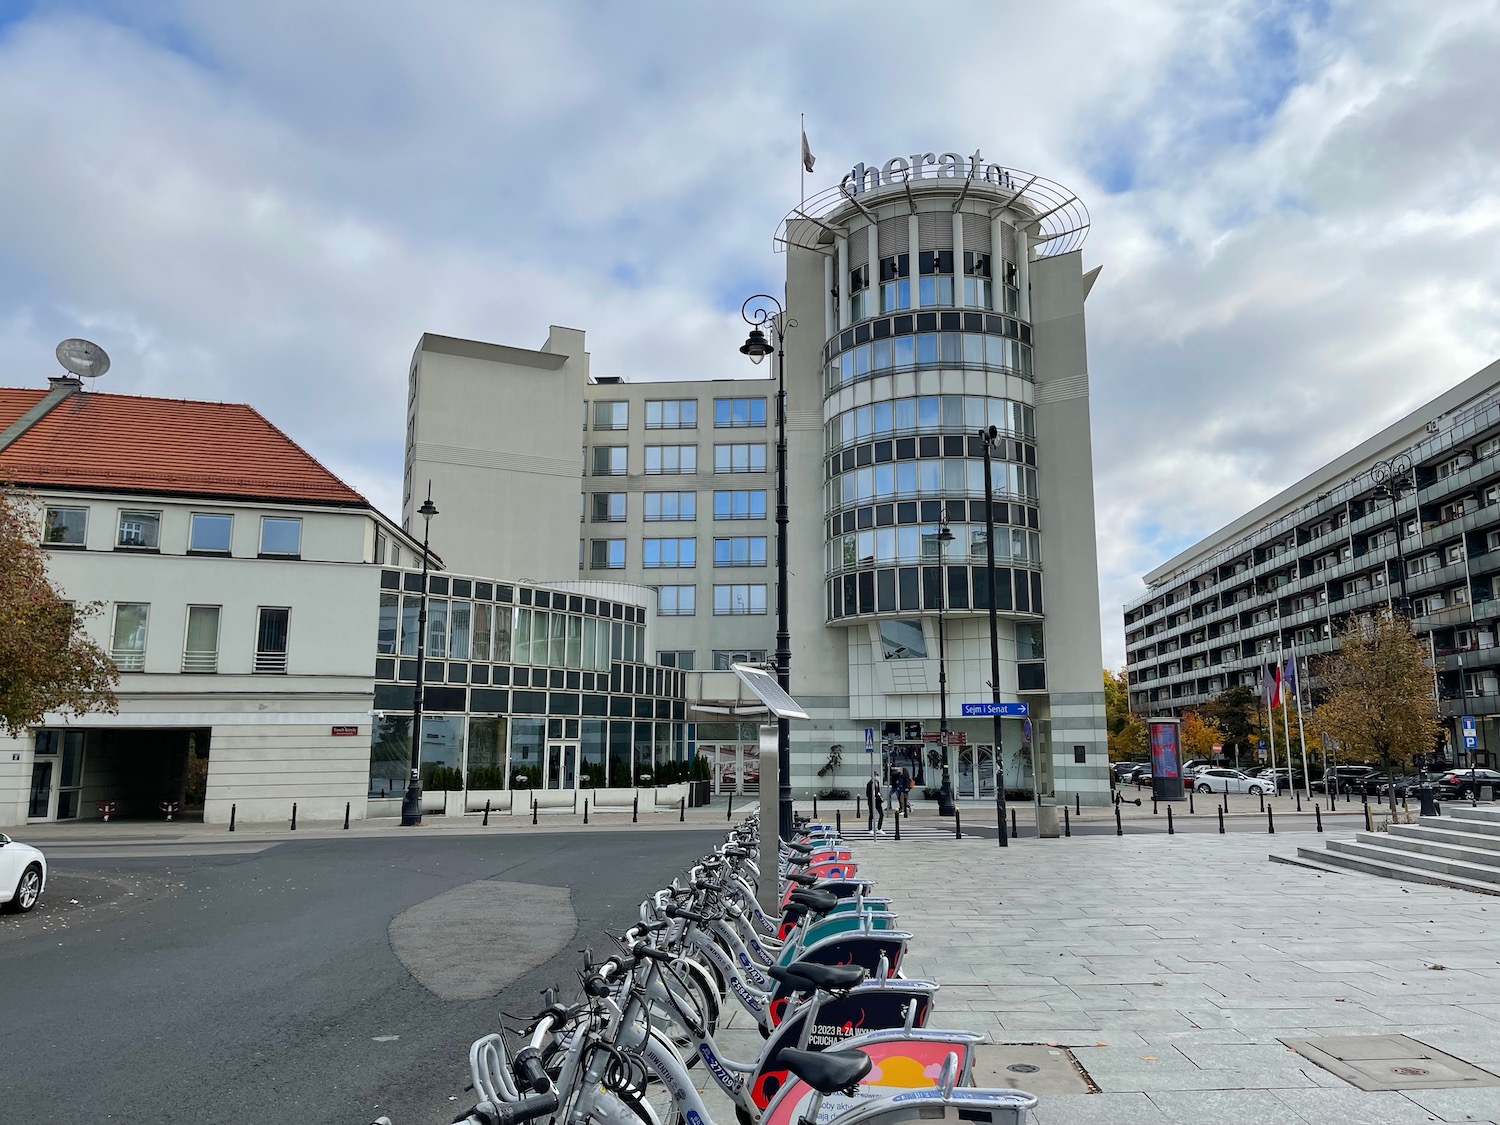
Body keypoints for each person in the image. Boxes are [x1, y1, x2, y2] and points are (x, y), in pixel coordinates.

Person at [865, 770, 885, 835]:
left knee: (881, 814)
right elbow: (868, 794)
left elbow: (878, 791)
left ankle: (879, 828)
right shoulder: (869, 784)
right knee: (871, 815)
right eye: (875, 776)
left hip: (878, 801)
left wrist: (879, 796)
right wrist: (873, 796)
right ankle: (870, 829)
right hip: (872, 801)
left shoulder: (877, 782)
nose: (876, 777)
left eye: (876, 776)